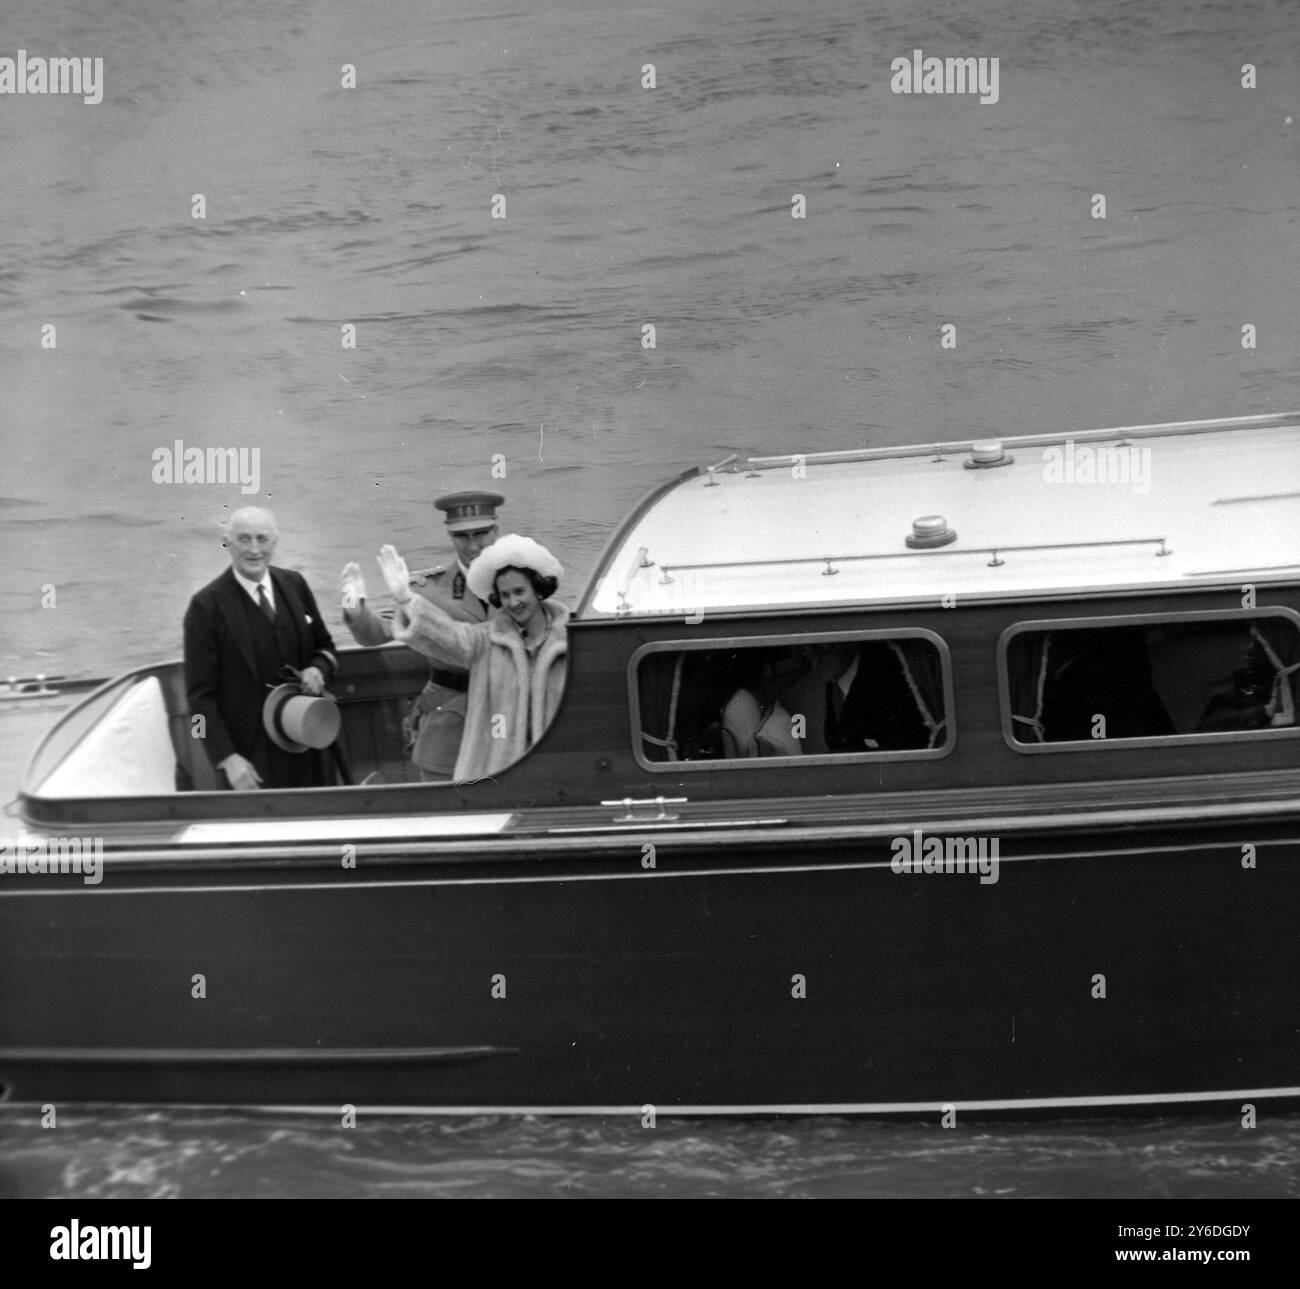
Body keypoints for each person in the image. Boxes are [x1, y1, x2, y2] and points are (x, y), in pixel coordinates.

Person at [374, 535, 567, 783]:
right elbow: (447, 634)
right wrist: (406, 599)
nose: (513, 602)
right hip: (499, 769)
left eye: (520, 591)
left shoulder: (570, 640)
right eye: (505, 595)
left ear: (539, 589)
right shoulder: (485, 640)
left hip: (557, 768)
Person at [339, 491, 504, 778]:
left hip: (509, 707)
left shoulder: (521, 584)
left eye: (481, 533)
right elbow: (376, 633)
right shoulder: (427, 590)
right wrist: (353, 606)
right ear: (450, 537)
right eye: (462, 536)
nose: (473, 545)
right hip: (452, 715)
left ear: (497, 530)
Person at [183, 507, 339, 790]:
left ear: (274, 542)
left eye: (262, 539)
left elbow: (325, 647)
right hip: (248, 762)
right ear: (227, 543)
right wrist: (225, 758)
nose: (254, 549)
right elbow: (196, 704)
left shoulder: (295, 585)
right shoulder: (204, 607)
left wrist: (317, 668)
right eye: (244, 539)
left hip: (307, 743)